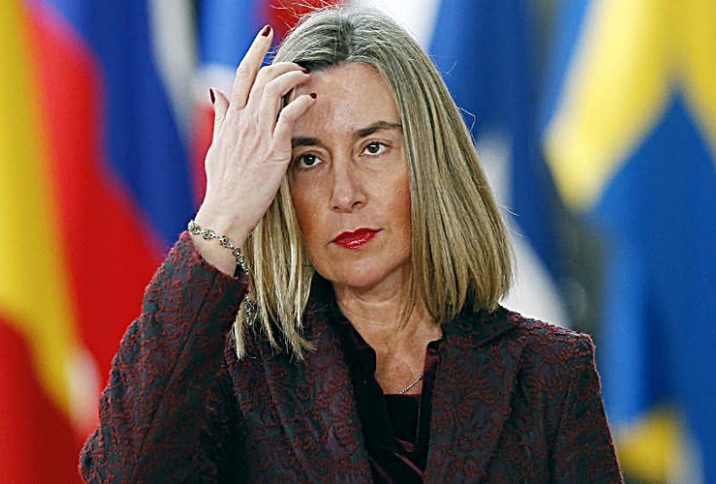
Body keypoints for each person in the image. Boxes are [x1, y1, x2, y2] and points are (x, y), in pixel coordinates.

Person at [80, 6, 621, 482]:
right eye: (309, 160)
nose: (344, 195)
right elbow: (125, 473)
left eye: (373, 147)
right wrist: (221, 211)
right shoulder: (238, 377)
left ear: (430, 160)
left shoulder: (549, 374)